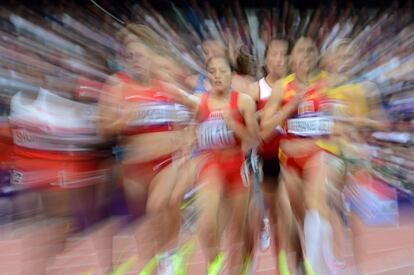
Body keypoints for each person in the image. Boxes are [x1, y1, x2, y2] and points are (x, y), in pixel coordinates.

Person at [98, 24, 193, 274]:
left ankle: (169, 255)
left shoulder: (166, 85)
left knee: (158, 207)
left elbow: (194, 111)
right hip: (134, 168)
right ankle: (159, 261)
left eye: (139, 55)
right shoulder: (117, 86)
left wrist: (187, 138)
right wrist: (121, 120)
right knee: (145, 229)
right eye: (130, 57)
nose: (135, 61)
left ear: (150, 56)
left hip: (165, 162)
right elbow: (104, 127)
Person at [261, 36, 343, 274]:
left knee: (314, 204)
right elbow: (265, 128)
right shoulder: (282, 88)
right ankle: (302, 266)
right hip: (288, 161)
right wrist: (289, 107)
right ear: (291, 58)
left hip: (316, 156)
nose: (305, 57)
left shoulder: (326, 85)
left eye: (310, 52)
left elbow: (337, 121)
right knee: (297, 219)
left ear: (315, 57)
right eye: (300, 52)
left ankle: (323, 266)